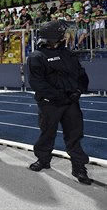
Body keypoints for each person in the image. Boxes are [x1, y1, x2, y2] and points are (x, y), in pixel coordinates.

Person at [28, 20, 92, 185]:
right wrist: (58, 96)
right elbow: (37, 83)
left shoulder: (68, 53)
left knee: (74, 136)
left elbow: (81, 75)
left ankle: (79, 167)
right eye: (61, 33)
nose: (64, 36)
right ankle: (43, 159)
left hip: (71, 102)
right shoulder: (37, 56)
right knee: (47, 133)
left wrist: (78, 91)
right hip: (50, 103)